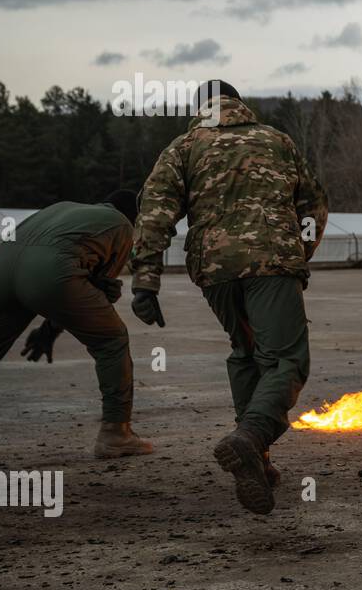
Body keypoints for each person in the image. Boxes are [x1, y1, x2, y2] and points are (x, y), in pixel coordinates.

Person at [130, 80, 327, 514]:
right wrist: (295, 250)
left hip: (215, 270)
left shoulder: (183, 147)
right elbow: (314, 206)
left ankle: (258, 459)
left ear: (201, 108)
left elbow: (154, 210)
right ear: (240, 104)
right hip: (272, 263)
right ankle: (252, 436)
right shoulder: (277, 140)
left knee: (246, 352)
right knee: (285, 361)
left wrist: (146, 279)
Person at [0, 191, 150, 458]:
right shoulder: (122, 225)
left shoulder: (63, 208)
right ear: (137, 216)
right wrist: (50, 329)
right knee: (112, 340)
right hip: (48, 272)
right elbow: (100, 289)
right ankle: (116, 434)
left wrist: (49, 327)